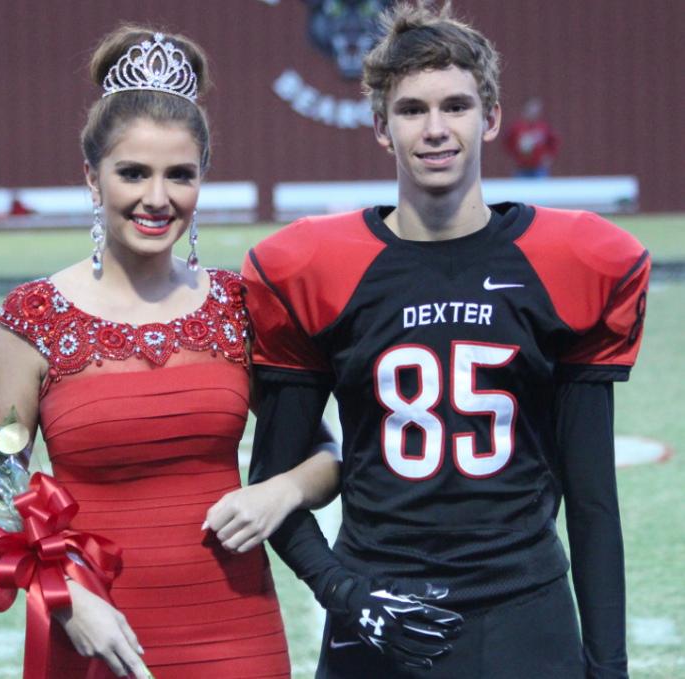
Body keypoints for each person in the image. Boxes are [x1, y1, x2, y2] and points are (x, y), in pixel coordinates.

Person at [244, 2, 649, 678]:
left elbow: (593, 499)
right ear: (380, 125)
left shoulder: (568, 261)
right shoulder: (318, 269)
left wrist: (609, 668)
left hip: (524, 608)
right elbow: (272, 484)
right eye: (411, 109)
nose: (435, 129)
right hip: (377, 606)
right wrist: (347, 593)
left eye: (456, 105)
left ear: (490, 117)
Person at [0, 26, 340, 679]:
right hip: (95, 630)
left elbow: (329, 454)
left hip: (236, 630)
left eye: (180, 174)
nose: (157, 197)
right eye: (133, 173)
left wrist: (279, 490)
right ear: (92, 179)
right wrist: (67, 599)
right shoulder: (32, 317)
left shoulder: (241, 305)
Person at [504, 96, 560, 177]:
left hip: (539, 168)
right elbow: (507, 143)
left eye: (536, 110)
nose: (533, 113)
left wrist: (549, 157)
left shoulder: (543, 127)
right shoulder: (517, 128)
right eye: (531, 109)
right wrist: (515, 156)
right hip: (521, 168)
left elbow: (554, 142)